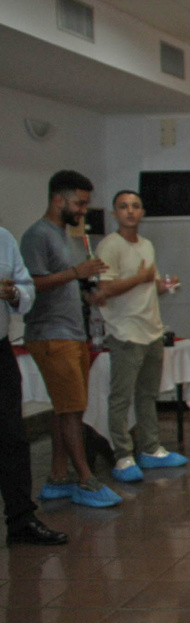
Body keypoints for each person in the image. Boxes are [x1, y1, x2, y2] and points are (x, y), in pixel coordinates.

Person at [20, 170, 122, 508]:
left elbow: (63, 283)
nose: (82, 211)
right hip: (51, 334)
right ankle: (85, 479)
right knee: (72, 409)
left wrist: (88, 291)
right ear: (58, 200)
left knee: (66, 408)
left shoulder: (63, 235)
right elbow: (32, 283)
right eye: (79, 203)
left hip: (72, 332)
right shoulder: (37, 235)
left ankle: (57, 475)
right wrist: (77, 272)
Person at [96, 190, 189, 483]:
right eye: (123, 206)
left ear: (143, 212)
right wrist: (141, 278)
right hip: (125, 333)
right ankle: (123, 455)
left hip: (152, 330)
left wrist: (165, 285)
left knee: (148, 395)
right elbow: (104, 289)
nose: (130, 211)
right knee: (121, 397)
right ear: (114, 213)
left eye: (135, 206)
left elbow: (149, 287)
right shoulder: (109, 246)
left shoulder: (147, 245)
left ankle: (150, 448)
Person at [2, 226, 68, 545]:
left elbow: (25, 287)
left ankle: (21, 519)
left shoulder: (3, 239)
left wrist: (14, 294)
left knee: (12, 437)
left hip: (0, 349)